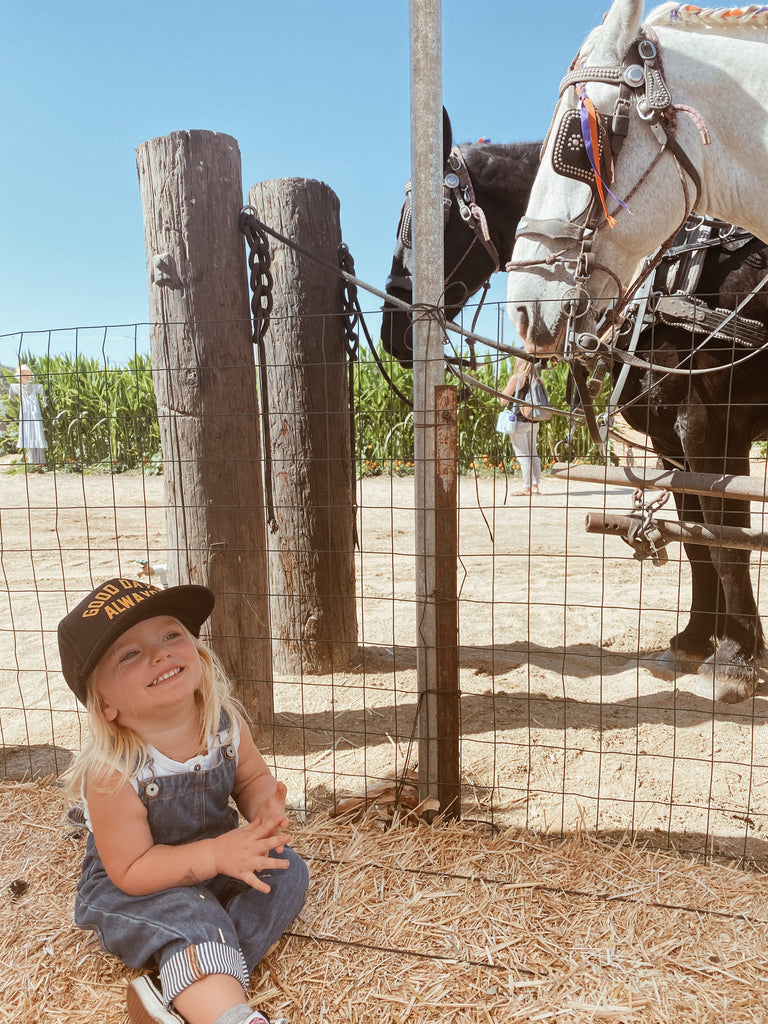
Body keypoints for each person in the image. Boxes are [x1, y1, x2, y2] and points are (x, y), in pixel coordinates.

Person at [58, 577, 309, 1024]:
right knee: (193, 912)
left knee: (286, 872)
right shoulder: (114, 770)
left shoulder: (225, 725)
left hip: (214, 861)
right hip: (135, 887)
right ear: (105, 705)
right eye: (130, 654)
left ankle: (176, 985)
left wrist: (264, 809)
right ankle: (231, 1016)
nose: (160, 653)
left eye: (171, 634)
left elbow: (250, 778)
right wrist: (217, 853)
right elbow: (133, 870)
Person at [501, 357, 542, 496]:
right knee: (533, 453)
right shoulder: (537, 380)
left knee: (523, 455)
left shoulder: (517, 378)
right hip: (534, 421)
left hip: (519, 422)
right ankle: (535, 486)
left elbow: (502, 399)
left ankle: (526, 487)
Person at [9, 364, 48, 466]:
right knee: (28, 433)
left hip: (35, 413)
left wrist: (44, 403)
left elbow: (44, 397)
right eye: (24, 374)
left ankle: (40, 462)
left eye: (28, 373)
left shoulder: (37, 386)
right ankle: (32, 462)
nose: (27, 376)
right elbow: (11, 396)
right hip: (25, 413)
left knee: (37, 432)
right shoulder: (17, 387)